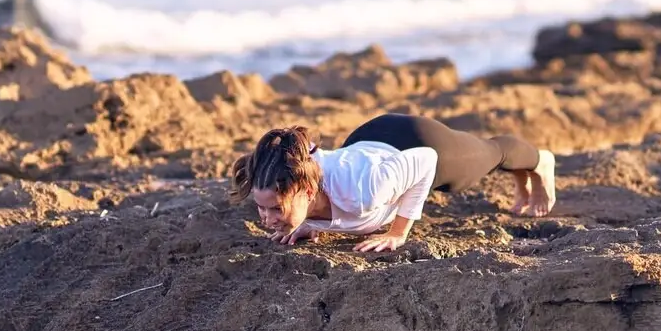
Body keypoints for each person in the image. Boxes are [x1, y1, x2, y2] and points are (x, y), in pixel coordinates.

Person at [229, 113, 556, 252]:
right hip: (366, 143)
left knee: (490, 153)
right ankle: (522, 175)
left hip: (415, 142)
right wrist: (306, 222)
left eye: (276, 209)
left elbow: (425, 160)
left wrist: (398, 232)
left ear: (308, 191)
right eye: (262, 208)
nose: (267, 219)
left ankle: (541, 162)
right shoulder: (296, 180)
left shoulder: (363, 192)